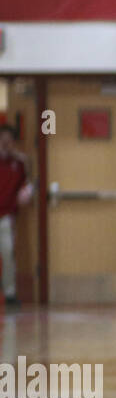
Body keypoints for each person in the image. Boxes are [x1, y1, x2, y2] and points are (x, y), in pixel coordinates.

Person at [0, 125, 34, 308]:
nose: (5, 143)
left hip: (6, 215)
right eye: (2, 139)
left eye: (8, 139)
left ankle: (10, 294)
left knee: (8, 253)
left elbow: (29, 179)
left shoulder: (18, 163)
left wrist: (20, 157)